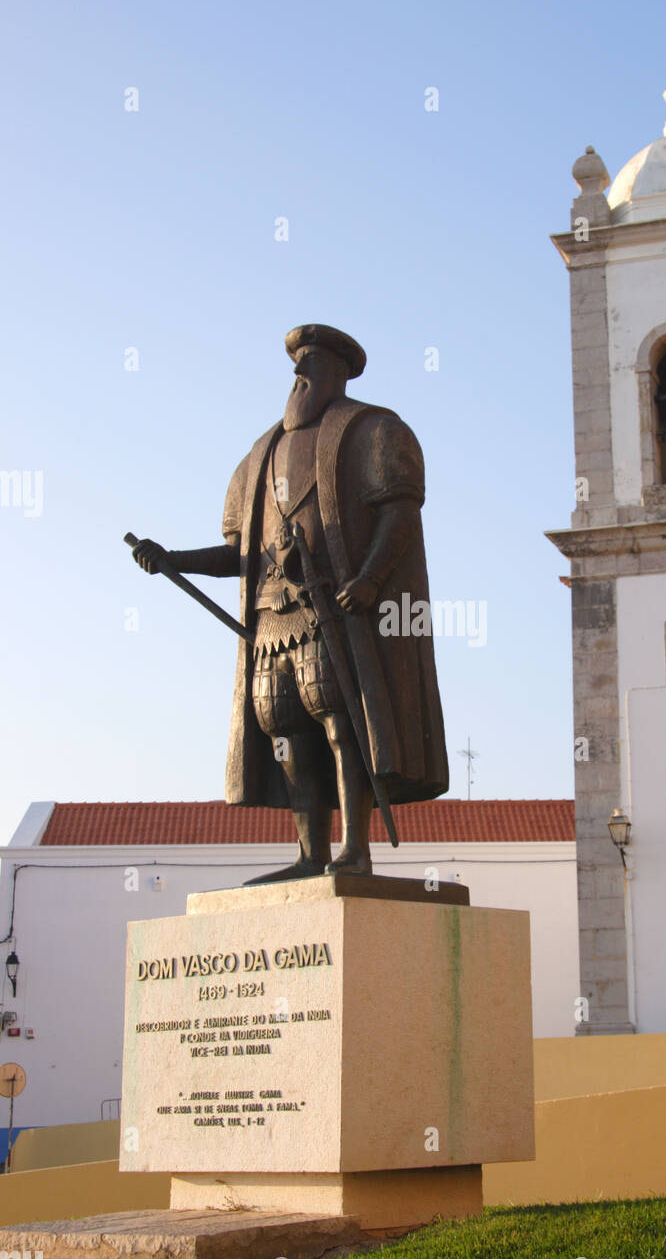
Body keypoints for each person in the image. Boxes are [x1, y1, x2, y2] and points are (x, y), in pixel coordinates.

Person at [132, 324, 448, 879]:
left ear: (339, 373)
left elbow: (400, 510)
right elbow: (240, 554)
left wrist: (370, 579)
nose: (300, 375)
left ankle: (355, 849)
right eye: (297, 366)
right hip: (271, 617)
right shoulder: (259, 455)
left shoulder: (374, 429)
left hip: (333, 609)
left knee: (341, 721)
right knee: (283, 728)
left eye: (313, 366)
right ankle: (309, 854)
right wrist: (174, 558)